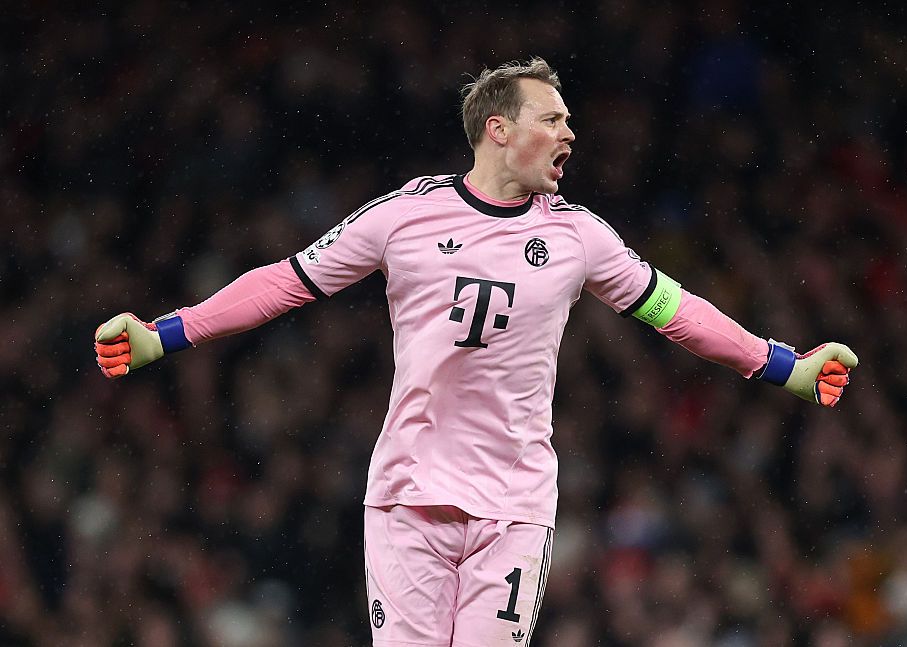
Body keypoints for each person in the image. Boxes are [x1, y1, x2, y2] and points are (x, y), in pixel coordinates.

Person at [94, 57, 858, 647]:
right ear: (499, 129)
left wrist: (784, 365)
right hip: (407, 497)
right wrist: (164, 332)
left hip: (513, 506)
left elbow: (675, 310)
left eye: (569, 122)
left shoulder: (580, 237)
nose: (569, 134)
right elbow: (287, 280)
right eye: (551, 119)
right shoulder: (404, 216)